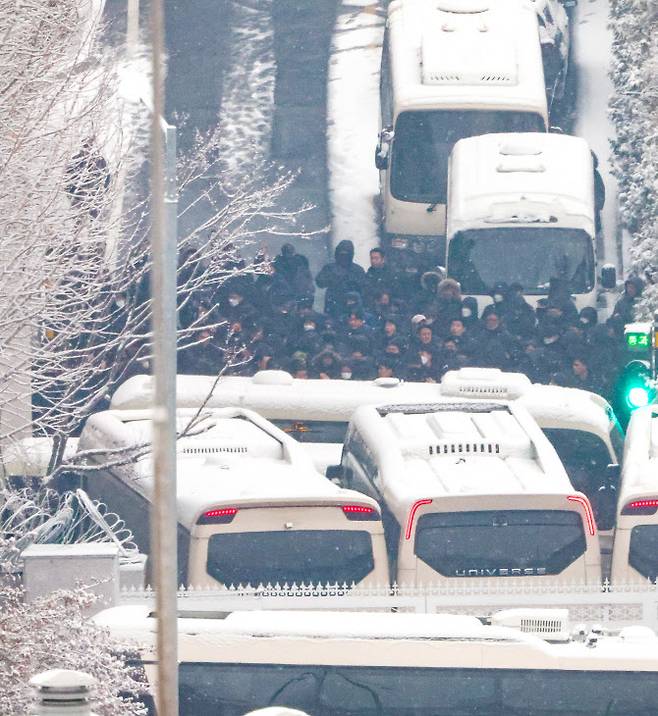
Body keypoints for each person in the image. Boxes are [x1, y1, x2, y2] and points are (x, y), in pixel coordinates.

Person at [316, 240, 366, 318]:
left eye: (346, 255)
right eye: (341, 254)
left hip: (352, 307)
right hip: (333, 304)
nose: (343, 257)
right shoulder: (330, 268)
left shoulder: (357, 270)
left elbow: (363, 289)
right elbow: (319, 282)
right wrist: (332, 279)